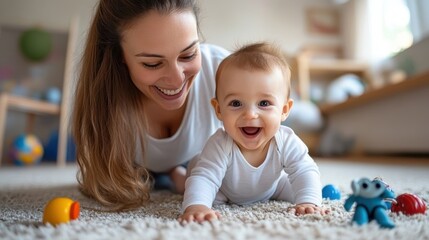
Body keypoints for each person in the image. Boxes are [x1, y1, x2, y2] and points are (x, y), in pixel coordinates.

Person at [72, 0, 230, 210]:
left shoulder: (225, 72)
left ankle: (175, 172)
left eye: (189, 54)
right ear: (119, 57)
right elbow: (105, 182)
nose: (176, 80)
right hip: (140, 169)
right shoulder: (105, 97)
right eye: (152, 63)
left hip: (203, 159)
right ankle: (169, 173)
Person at [179, 42, 325, 223]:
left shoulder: (286, 140)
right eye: (236, 103)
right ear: (218, 109)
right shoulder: (220, 144)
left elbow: (304, 169)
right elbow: (205, 177)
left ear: (285, 109)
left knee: (298, 188)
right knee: (193, 183)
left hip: (270, 189)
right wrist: (197, 206)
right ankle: (176, 175)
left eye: (264, 103)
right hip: (224, 189)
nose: (250, 114)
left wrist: (309, 201)